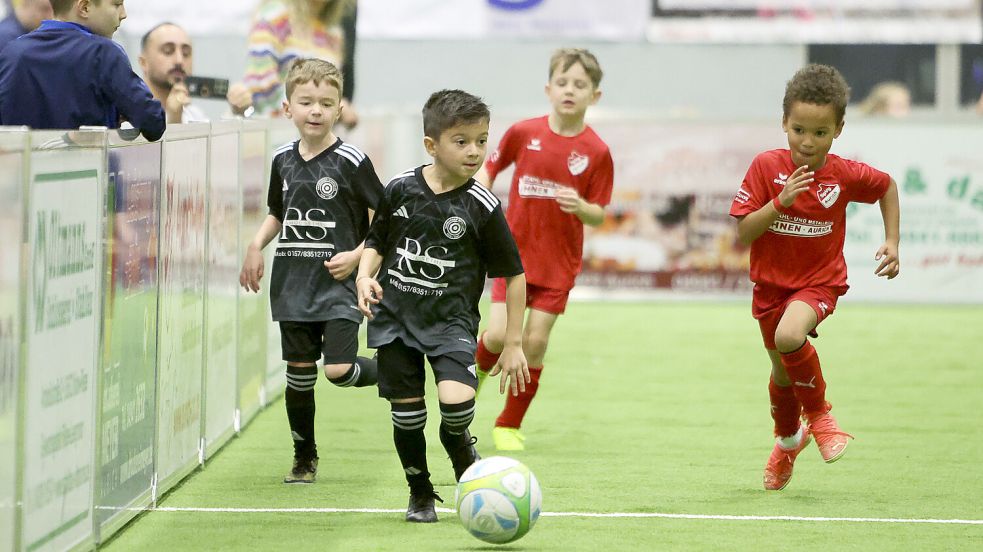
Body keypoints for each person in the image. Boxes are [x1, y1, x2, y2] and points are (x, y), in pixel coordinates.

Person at [354, 89, 529, 523]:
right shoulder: (400, 189)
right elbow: (377, 241)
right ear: (431, 145)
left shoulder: (482, 205)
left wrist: (513, 343)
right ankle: (420, 493)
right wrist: (363, 275)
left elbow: (514, 275)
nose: (474, 151)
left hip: (451, 322)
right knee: (408, 416)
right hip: (395, 320)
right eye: (461, 141)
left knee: (456, 404)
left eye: (481, 140)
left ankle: (458, 442)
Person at [729, 64, 900, 491]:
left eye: (820, 133)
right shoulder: (765, 167)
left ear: (838, 130)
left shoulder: (843, 174)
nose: (807, 142)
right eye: (799, 130)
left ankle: (821, 417)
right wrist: (779, 202)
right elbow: (744, 233)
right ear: (784, 123)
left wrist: (892, 241)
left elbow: (886, 187)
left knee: (789, 336)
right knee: (782, 374)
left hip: (819, 283)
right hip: (770, 287)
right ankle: (788, 442)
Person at [239, 58, 383, 484]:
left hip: (339, 287)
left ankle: (391, 370)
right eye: (306, 102)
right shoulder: (282, 159)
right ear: (288, 108)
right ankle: (304, 458)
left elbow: (386, 218)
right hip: (293, 287)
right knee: (299, 378)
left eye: (325, 103)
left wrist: (357, 256)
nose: (315, 111)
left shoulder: (352, 160)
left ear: (340, 109)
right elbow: (277, 212)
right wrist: (255, 245)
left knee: (338, 371)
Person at [472, 48, 614, 452]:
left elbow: (599, 213)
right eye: (563, 83)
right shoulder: (523, 132)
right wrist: (481, 192)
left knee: (534, 342)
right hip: (512, 257)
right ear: (549, 89)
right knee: (497, 335)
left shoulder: (597, 151)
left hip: (558, 265)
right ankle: (468, 388)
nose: (570, 90)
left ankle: (508, 424)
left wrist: (581, 206)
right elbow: (490, 166)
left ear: (594, 96)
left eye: (580, 85)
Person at [0, 0, 164, 141]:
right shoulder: (103, 53)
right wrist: (124, 111)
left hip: (23, 167)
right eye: (116, 4)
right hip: (89, 167)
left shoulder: (13, 53)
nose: (123, 14)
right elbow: (153, 123)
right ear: (84, 7)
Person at [242, 0, 359, 128]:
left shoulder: (333, 30)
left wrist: (338, 108)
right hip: (274, 131)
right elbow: (259, 83)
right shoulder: (274, 14)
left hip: (314, 135)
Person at [138, 21, 253, 124]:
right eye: (168, 51)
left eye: (186, 53)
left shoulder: (194, 114)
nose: (179, 60)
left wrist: (237, 112)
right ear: (143, 63)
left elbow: (219, 141)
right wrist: (174, 122)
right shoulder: (130, 115)